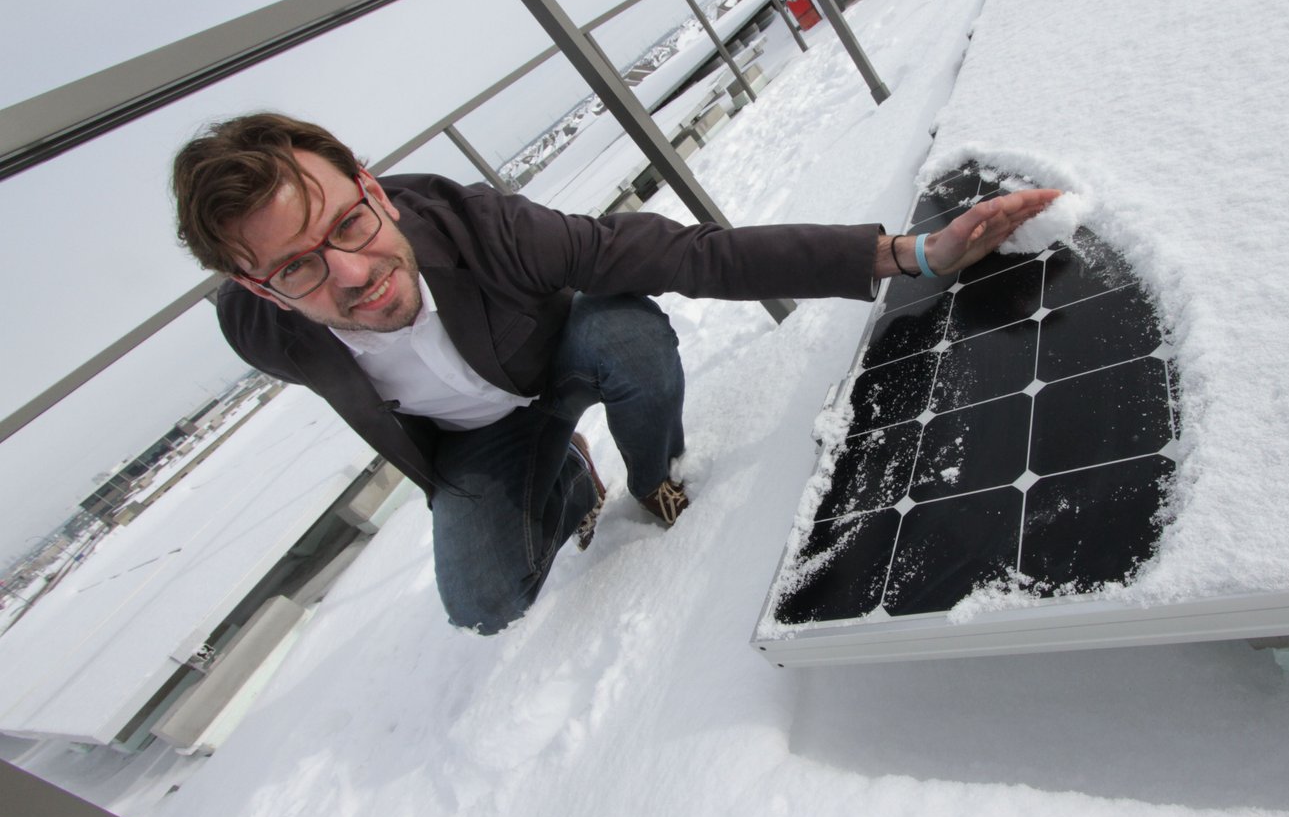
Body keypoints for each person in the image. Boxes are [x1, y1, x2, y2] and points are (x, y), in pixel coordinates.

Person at [172, 113, 1059, 634]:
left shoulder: (479, 227)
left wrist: (905, 254)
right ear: (258, 286)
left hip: (563, 353)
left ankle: (651, 473)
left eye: (349, 225)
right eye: (296, 268)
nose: (351, 275)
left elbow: (681, 253)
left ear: (373, 188)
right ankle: (567, 476)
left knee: (629, 344)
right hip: (482, 434)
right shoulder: (263, 332)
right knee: (482, 603)